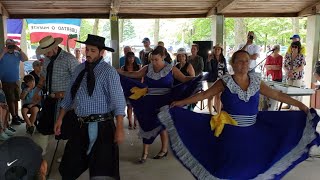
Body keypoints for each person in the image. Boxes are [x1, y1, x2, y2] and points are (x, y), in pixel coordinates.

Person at [158, 50, 319, 180]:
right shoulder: (225, 81)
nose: (244, 64)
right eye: (240, 61)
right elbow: (203, 95)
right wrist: (181, 102)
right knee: (227, 169)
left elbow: (276, 95)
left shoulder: (256, 81)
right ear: (232, 64)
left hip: (252, 133)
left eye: (247, 61)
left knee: (252, 168)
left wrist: (300, 105)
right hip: (230, 134)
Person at [54, 34, 126, 180]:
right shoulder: (79, 69)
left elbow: (118, 101)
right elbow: (69, 96)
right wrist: (60, 119)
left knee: (102, 170)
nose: (88, 53)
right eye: (87, 49)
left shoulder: (108, 72)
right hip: (80, 125)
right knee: (69, 167)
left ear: (101, 52)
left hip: (102, 126)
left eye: (93, 50)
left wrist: (119, 128)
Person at [117, 45, 199, 163]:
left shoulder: (171, 69)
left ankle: (162, 149)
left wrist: (195, 79)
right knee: (146, 125)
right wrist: (122, 73)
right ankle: (146, 152)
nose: (154, 62)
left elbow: (184, 78)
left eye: (156, 59)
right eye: (152, 60)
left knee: (161, 123)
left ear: (163, 57)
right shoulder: (147, 68)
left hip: (165, 101)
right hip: (149, 100)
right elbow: (135, 74)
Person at [33, 35, 79, 153]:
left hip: (65, 100)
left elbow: (79, 80)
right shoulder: (47, 59)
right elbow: (43, 76)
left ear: (55, 47)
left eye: (47, 52)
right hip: (49, 98)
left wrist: (67, 94)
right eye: (44, 52)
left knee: (67, 130)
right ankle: (39, 154)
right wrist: (37, 91)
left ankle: (67, 156)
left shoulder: (69, 59)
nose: (46, 54)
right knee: (43, 126)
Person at [0, 39, 29, 125]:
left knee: (16, 99)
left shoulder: (17, 54)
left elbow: (26, 59)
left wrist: (19, 49)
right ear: (6, 45)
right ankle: (14, 116)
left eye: (12, 44)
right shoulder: (2, 53)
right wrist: (3, 52)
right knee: (10, 100)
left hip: (16, 80)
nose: (10, 46)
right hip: (6, 81)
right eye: (8, 44)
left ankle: (16, 116)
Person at [206, 43, 228, 114]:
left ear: (221, 50)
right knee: (210, 96)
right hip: (212, 80)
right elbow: (209, 70)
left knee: (219, 97)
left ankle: (218, 113)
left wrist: (227, 77)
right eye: (216, 49)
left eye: (219, 49)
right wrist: (208, 61)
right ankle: (210, 113)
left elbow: (225, 69)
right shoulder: (211, 58)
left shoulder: (223, 59)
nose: (217, 50)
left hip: (221, 80)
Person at [121, 52, 140, 129]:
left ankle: (135, 122)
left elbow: (141, 78)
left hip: (137, 89)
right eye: (129, 57)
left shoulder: (138, 67)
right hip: (128, 89)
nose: (131, 59)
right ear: (127, 58)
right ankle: (130, 122)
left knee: (136, 107)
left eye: (132, 57)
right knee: (129, 106)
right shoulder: (123, 67)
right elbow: (121, 78)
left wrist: (140, 86)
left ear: (134, 58)